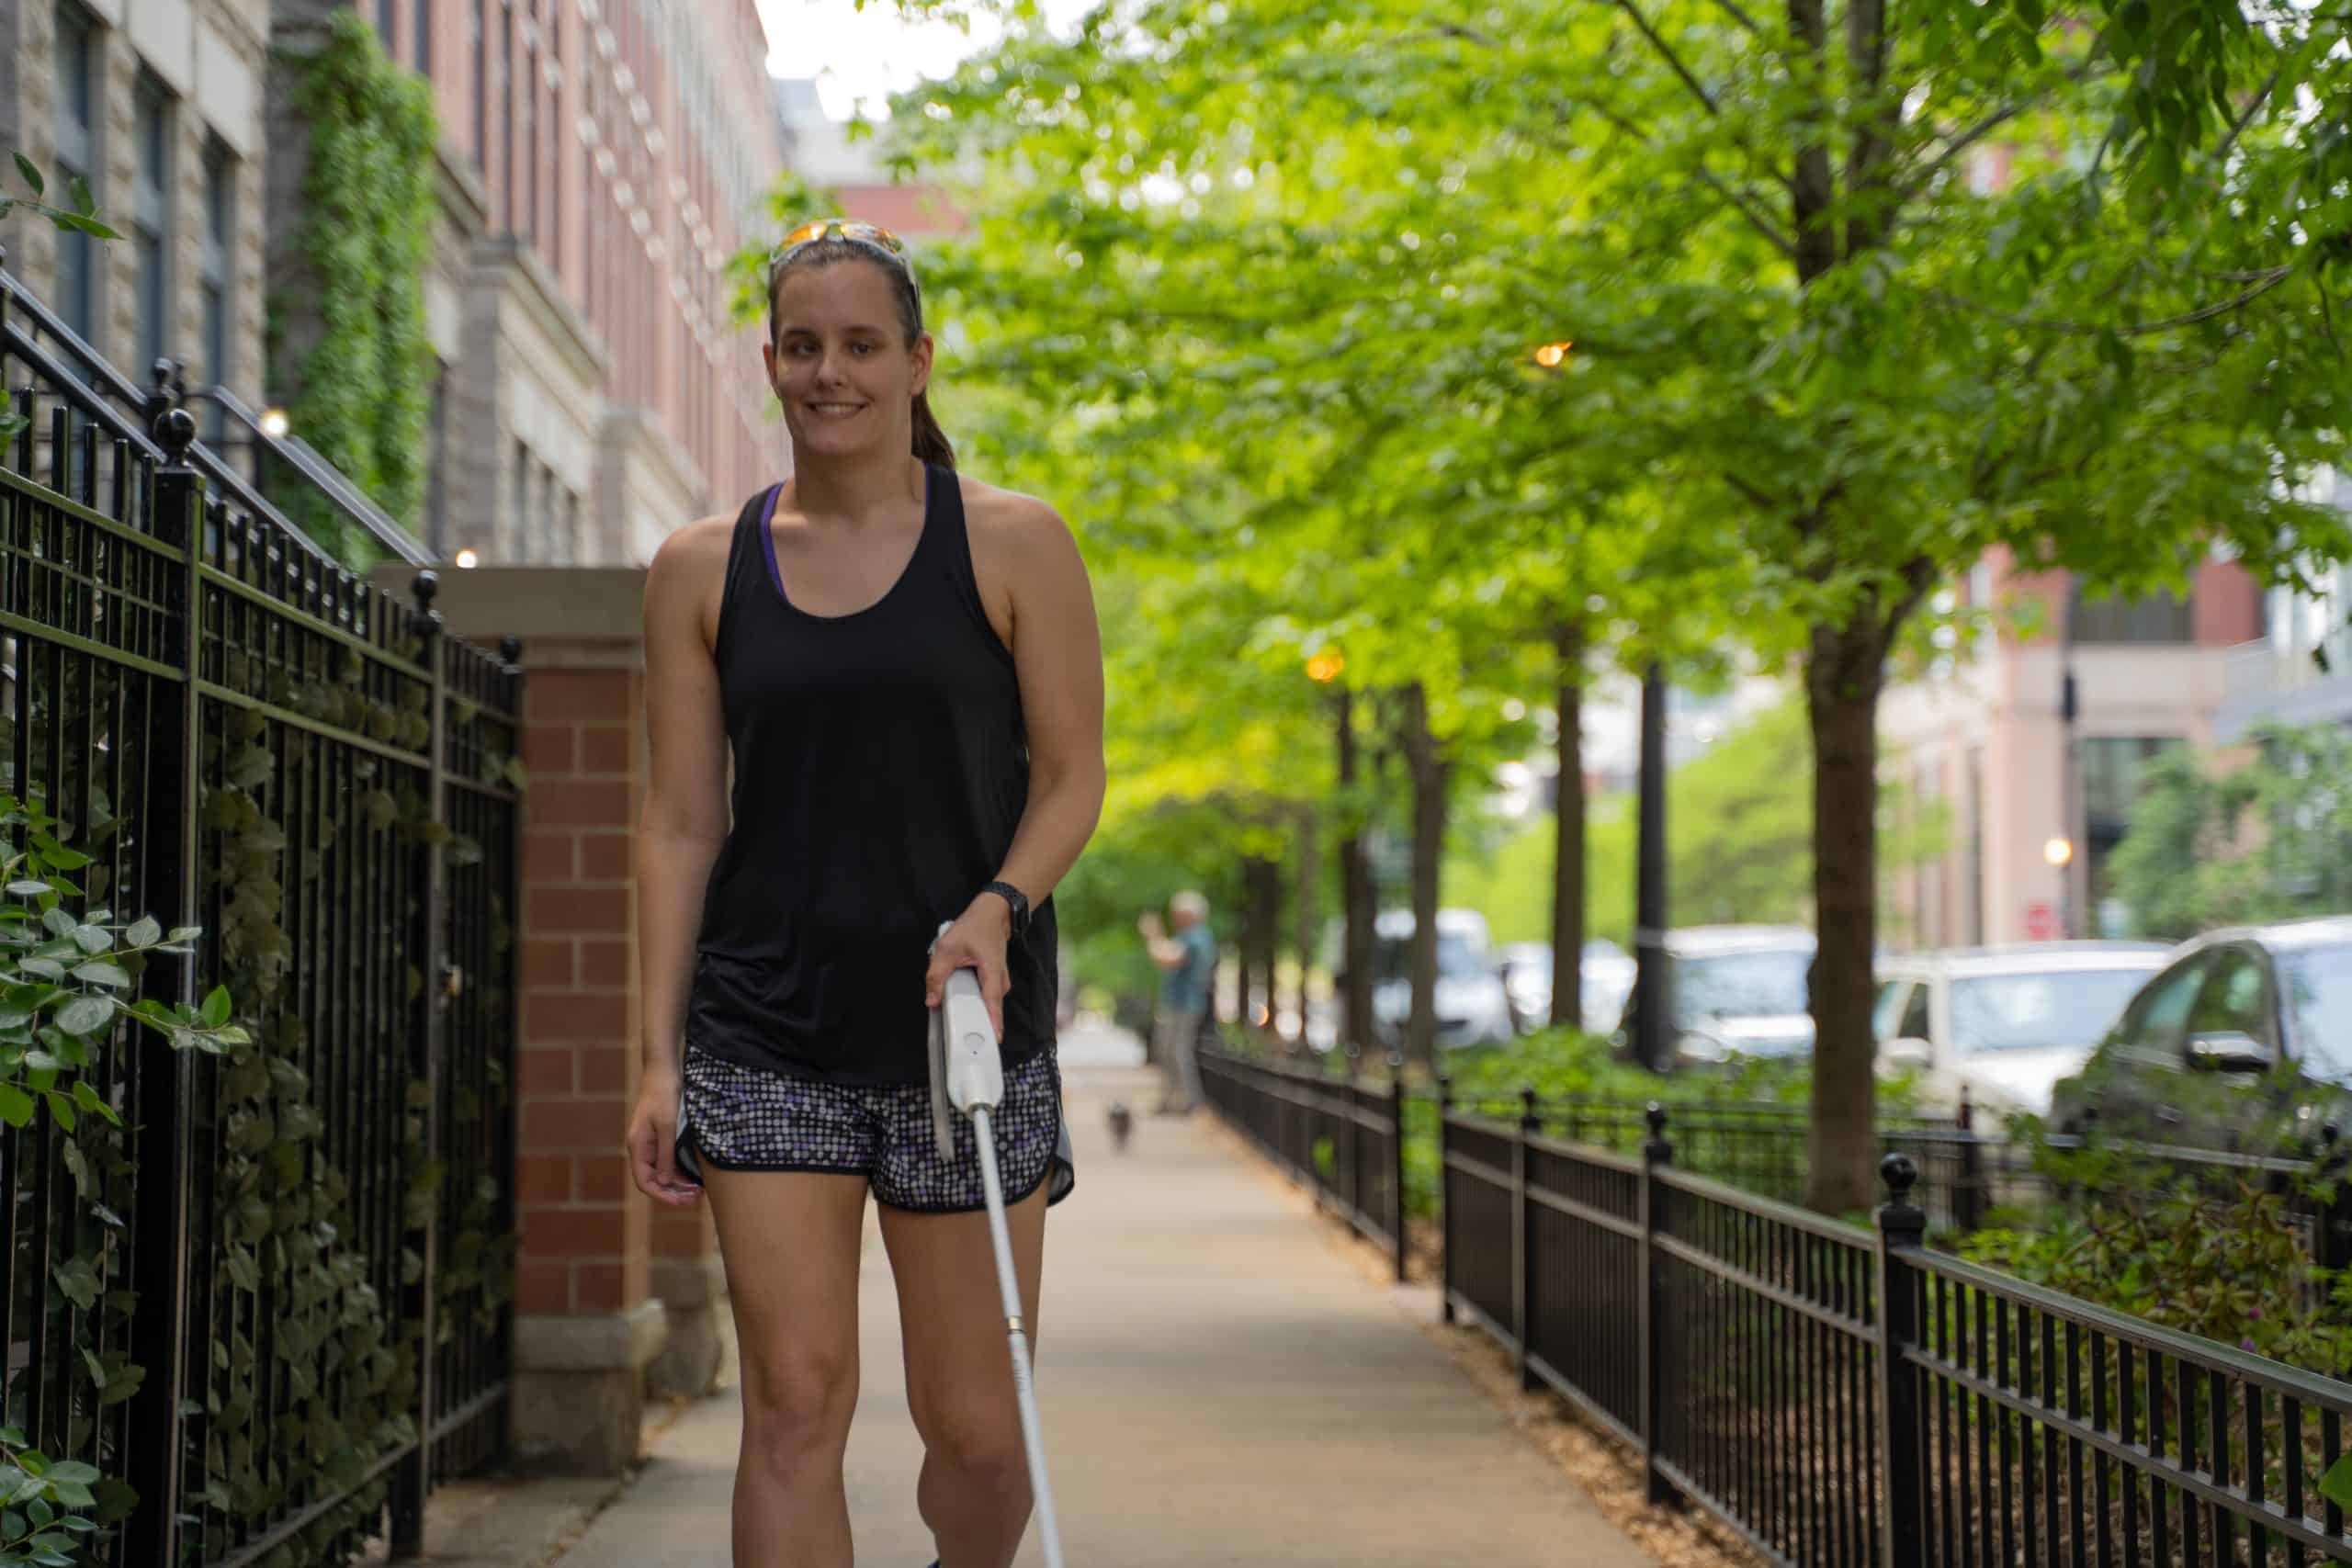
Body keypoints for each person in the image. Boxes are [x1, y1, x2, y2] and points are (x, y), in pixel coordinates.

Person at [624, 218, 1106, 1568]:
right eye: (801, 344)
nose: (828, 370)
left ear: (915, 361)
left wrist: (1001, 902)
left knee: (976, 1432)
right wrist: (660, 1060)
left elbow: (1071, 777)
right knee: (792, 1405)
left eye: (859, 344)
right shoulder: (699, 569)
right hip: (766, 1030)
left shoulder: (1015, 545)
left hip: (963, 1041)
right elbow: (676, 822)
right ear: (770, 360)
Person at [1140, 891, 1216, 1114]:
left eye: (1178, 913)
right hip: (1180, 1003)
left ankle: (1190, 1099)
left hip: (1185, 1004)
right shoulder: (1189, 937)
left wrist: (1152, 935)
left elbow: (1166, 958)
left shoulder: (1196, 937)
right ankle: (1172, 1098)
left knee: (1178, 1051)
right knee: (1169, 1051)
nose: (1174, 917)